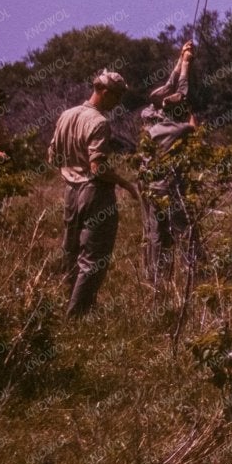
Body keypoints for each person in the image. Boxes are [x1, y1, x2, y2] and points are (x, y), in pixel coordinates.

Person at [47, 69, 138, 315]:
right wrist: (125, 183)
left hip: (70, 191)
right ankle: (77, 316)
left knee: (71, 251)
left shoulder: (66, 115)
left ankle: (71, 304)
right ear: (105, 92)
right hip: (94, 192)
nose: (118, 102)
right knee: (94, 257)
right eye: (116, 96)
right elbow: (98, 167)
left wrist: (71, 171)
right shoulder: (99, 122)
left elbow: (52, 155)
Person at [139, 42, 203, 294]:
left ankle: (157, 277)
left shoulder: (150, 125)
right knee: (185, 230)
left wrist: (180, 59)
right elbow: (183, 97)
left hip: (152, 188)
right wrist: (186, 63)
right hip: (172, 189)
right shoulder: (179, 129)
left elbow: (171, 90)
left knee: (156, 233)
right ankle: (192, 273)